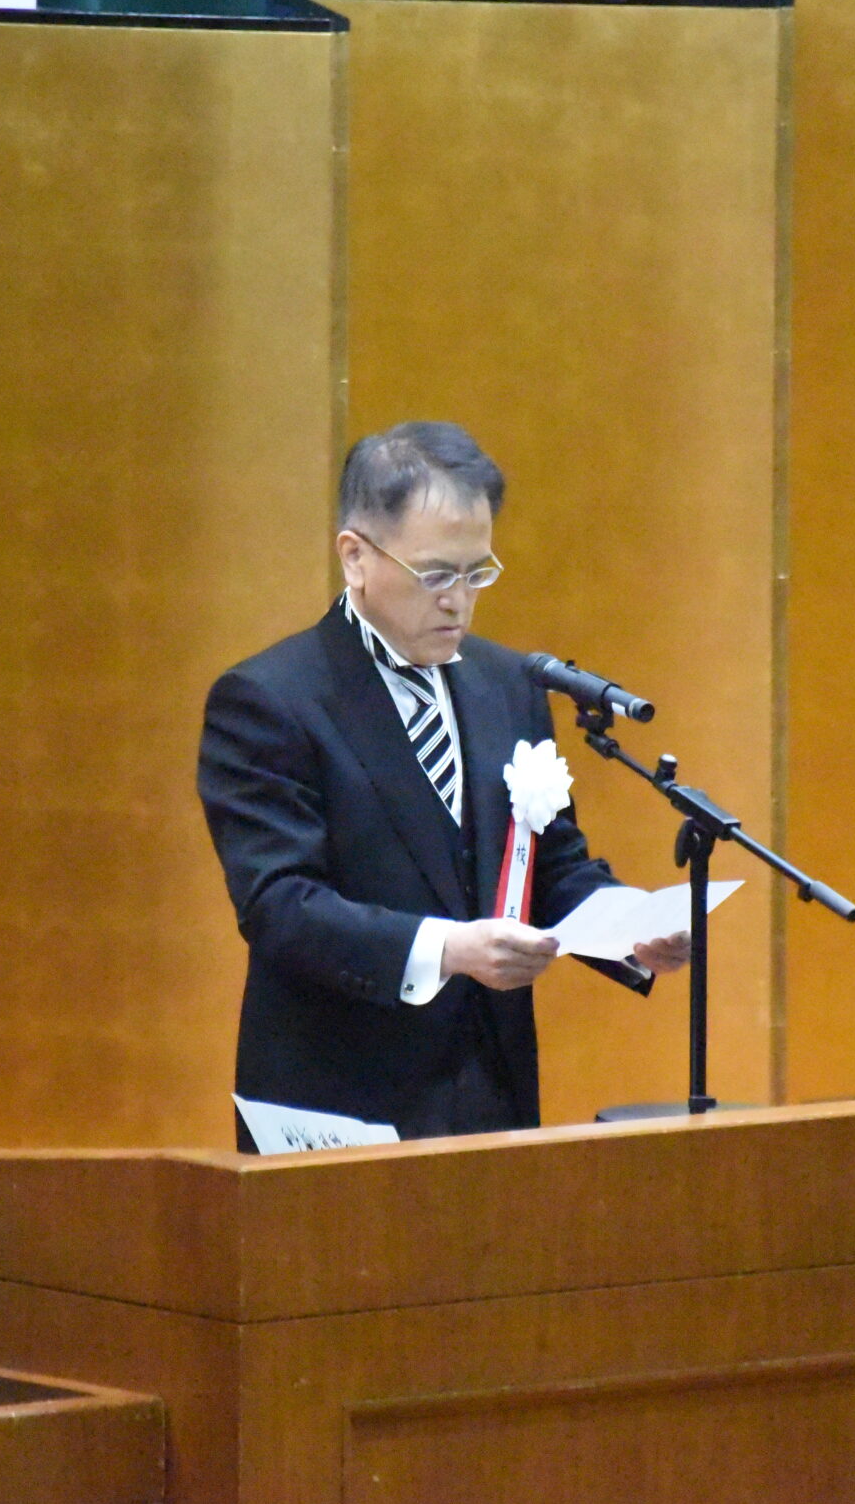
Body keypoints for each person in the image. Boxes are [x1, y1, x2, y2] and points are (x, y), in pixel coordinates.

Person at [197, 421, 684, 1145]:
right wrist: (450, 948)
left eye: (476, 572)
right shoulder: (270, 699)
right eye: (434, 575)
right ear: (355, 556)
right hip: (337, 1103)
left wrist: (628, 925)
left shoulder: (508, 684)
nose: (458, 599)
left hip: (491, 1096)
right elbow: (281, 906)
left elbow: (551, 866)